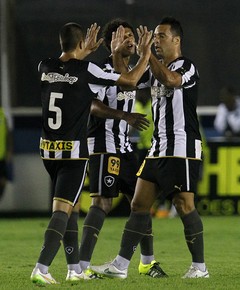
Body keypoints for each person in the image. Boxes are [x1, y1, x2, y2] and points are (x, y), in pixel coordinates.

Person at [30, 22, 153, 286]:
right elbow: (130, 82)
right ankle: (41, 268)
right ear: (83, 43)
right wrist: (145, 53)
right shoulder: (90, 69)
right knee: (63, 211)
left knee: (71, 207)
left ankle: (75, 268)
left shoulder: (45, 67)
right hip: (74, 153)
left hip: (48, 151)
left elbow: (69, 71)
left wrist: (81, 52)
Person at [91, 16, 209, 279]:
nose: (156, 41)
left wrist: (147, 55)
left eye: (161, 36)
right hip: (157, 149)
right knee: (138, 204)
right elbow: (129, 81)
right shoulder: (152, 69)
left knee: (184, 205)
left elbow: (171, 80)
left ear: (176, 40)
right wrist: (113, 56)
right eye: (154, 37)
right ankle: (121, 265)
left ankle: (199, 267)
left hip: (182, 147)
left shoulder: (186, 66)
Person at [78, 18, 167, 278]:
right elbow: (91, 105)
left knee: (141, 203)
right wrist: (123, 116)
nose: (129, 39)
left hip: (125, 147)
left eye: (131, 35)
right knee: (102, 203)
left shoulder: (134, 70)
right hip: (103, 145)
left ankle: (147, 262)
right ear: (110, 43)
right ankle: (81, 268)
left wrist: (147, 53)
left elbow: (154, 76)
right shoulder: (100, 69)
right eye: (122, 35)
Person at [0, 107, 13, 201]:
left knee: (3, 181)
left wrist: (9, 151)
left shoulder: (2, 114)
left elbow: (8, 134)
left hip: (2, 156)